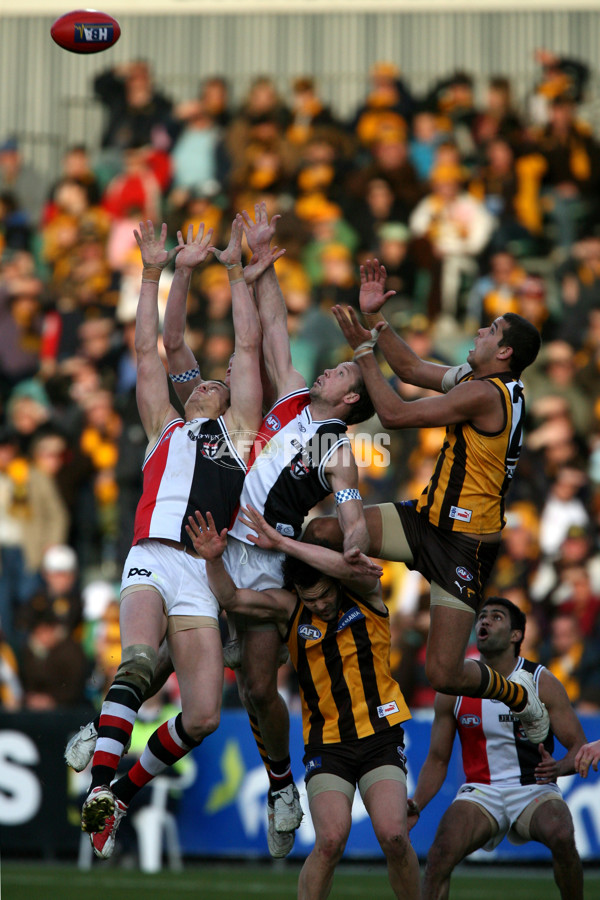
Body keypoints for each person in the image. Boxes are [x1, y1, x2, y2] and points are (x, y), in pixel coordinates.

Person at [78, 216, 267, 860]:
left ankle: (119, 789)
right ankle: (102, 793)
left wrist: (238, 272)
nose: (206, 382)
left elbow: (246, 349)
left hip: (200, 575)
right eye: (201, 382)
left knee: (206, 716)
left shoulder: (240, 434)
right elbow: (145, 351)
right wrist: (155, 272)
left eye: (214, 382)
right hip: (152, 556)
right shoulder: (163, 425)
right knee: (135, 663)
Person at [307, 259, 549, 744]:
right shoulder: (484, 383)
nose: (480, 329)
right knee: (323, 532)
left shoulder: (485, 395)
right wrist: (377, 321)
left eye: (492, 329)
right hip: (424, 521)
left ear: (503, 352)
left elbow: (394, 413)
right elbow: (413, 368)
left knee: (444, 673)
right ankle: (332, 623)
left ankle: (520, 695)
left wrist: (363, 352)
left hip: (464, 546)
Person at [216, 202, 374, 855]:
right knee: (183, 644)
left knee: (257, 687)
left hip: (265, 557)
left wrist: (350, 542)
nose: (332, 367)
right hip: (219, 537)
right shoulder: (288, 397)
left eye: (343, 372)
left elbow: (351, 510)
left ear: (349, 401)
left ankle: (282, 785)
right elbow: (274, 325)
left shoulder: (335, 444)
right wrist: (261, 262)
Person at [187, 505, 420, 900]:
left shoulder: (364, 593)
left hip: (381, 736)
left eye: (326, 595)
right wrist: (212, 560)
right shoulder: (290, 608)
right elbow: (230, 596)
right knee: (329, 842)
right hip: (327, 745)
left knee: (395, 836)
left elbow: (351, 569)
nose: (322, 605)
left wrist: (282, 544)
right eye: (312, 600)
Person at [407, 597, 585, 900]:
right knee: (439, 854)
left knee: (562, 835)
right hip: (481, 790)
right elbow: (437, 760)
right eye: (482, 617)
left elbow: (578, 747)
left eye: (496, 617)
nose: (484, 621)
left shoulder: (542, 681)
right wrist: (417, 804)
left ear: (516, 635)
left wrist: (558, 768)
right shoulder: (455, 686)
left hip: (534, 788)